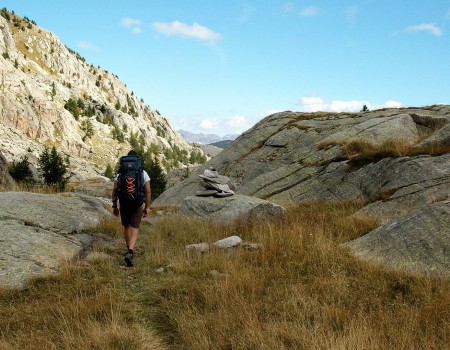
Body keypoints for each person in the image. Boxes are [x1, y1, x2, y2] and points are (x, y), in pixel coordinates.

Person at [111, 150, 151, 267]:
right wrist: (147, 207)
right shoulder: (142, 172)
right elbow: (148, 191)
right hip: (137, 203)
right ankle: (130, 251)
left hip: (124, 203)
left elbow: (114, 190)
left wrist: (114, 206)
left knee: (126, 226)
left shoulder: (120, 173)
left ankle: (128, 248)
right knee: (135, 228)